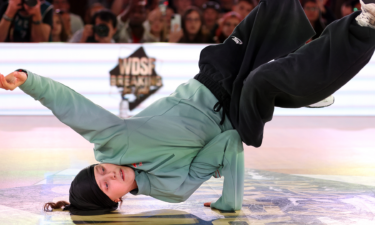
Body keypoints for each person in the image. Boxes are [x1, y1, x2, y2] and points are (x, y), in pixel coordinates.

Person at [1, 0, 375, 216]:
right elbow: (229, 142)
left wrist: (28, 80)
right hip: (236, 114)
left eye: (100, 171)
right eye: (106, 185)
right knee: (263, 81)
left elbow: (71, 107)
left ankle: (301, 85)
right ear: (114, 201)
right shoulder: (172, 190)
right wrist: (230, 200)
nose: (109, 174)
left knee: (274, 9)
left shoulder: (111, 143)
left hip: (213, 76)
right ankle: (365, 23)